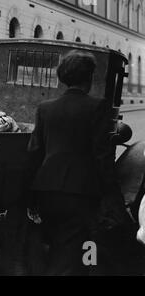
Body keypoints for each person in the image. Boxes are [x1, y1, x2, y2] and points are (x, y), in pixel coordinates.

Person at [25, 50, 126, 275]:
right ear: (89, 78)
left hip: (46, 191)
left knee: (59, 245)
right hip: (80, 192)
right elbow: (102, 156)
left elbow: (34, 152)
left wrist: (30, 194)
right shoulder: (98, 106)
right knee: (72, 255)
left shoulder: (45, 108)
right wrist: (112, 194)